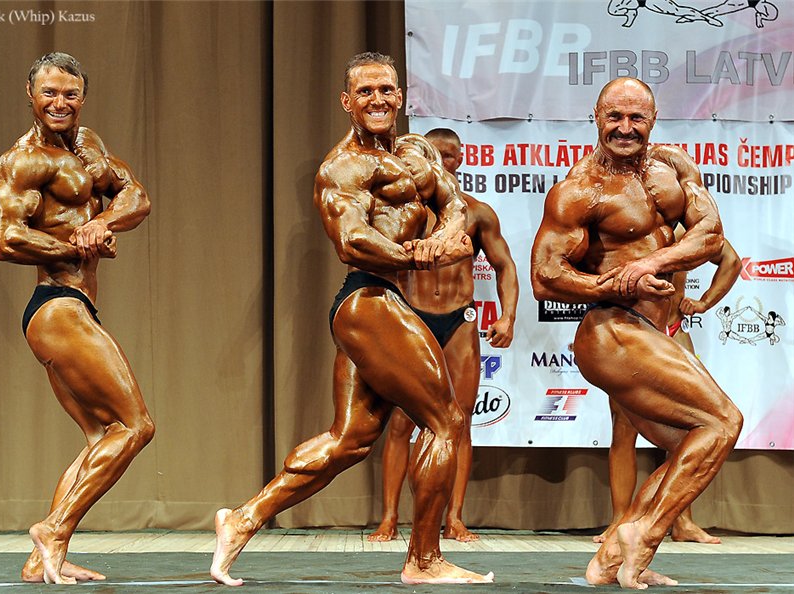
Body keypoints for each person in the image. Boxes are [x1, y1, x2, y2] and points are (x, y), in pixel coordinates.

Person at [210, 52, 493, 586]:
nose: (377, 100)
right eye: (365, 92)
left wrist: (440, 237)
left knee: (350, 440)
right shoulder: (341, 167)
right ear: (347, 101)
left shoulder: (417, 151)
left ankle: (243, 519)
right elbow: (351, 240)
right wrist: (415, 257)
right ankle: (424, 560)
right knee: (445, 421)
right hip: (368, 299)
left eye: (386, 90)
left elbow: (455, 204)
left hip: (387, 301)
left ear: (400, 97)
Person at [530, 77, 743, 589]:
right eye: (614, 117)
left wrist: (651, 262)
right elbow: (544, 277)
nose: (625, 128)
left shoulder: (674, 168)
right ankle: (643, 536)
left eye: (636, 118)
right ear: (596, 117)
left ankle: (609, 560)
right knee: (723, 421)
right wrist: (614, 283)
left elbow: (711, 236)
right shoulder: (579, 190)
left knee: (692, 443)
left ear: (653, 119)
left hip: (653, 330)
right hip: (611, 329)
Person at [0, 52, 154, 585]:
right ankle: (54, 530)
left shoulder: (88, 145)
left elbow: (136, 196)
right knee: (135, 426)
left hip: (74, 306)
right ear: (30, 96)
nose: (60, 103)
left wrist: (102, 224)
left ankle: (41, 560)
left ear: (83, 97)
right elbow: (5, 239)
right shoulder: (23, 162)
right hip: (56, 304)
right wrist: (72, 244)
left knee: (102, 435)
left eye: (71, 94)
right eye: (50, 93)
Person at [368, 128, 518, 543]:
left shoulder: (477, 213)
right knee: (402, 420)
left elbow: (504, 265)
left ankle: (454, 517)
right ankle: (389, 518)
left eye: (450, 155)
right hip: (412, 318)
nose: (443, 161)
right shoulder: (401, 214)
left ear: (461, 159)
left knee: (461, 422)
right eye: (436, 154)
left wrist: (507, 317)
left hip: (460, 322)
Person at [595, 236, 740, 546]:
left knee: (691, 430)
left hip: (672, 332)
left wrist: (704, 303)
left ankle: (682, 521)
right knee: (623, 429)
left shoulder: (686, 230)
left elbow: (731, 261)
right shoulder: (628, 228)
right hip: (632, 335)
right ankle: (620, 520)